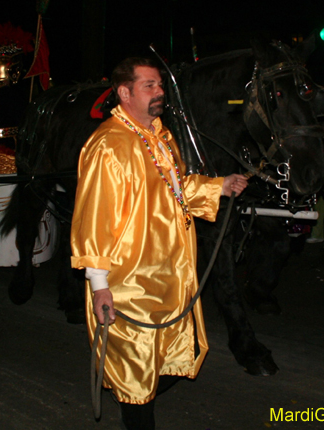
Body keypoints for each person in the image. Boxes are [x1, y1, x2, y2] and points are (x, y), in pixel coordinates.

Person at [70, 57, 248, 429]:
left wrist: (220, 185)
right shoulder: (109, 145)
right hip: (129, 286)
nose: (160, 92)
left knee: (172, 361)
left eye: (160, 85)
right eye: (149, 85)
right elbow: (94, 220)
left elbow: (175, 189)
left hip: (169, 279)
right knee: (137, 381)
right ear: (124, 92)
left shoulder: (160, 136)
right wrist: (99, 285)